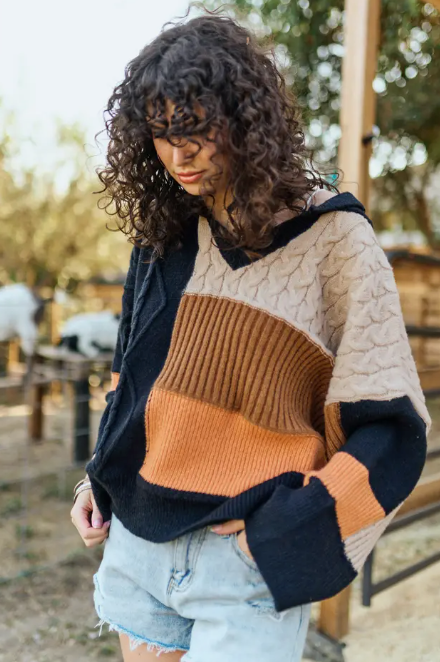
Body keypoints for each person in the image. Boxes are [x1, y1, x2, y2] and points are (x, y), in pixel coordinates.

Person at [70, 11, 431, 662]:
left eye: (196, 127)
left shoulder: (336, 241)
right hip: (138, 550)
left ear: (246, 118)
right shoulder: (166, 236)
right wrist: (95, 479)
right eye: (161, 131)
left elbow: (393, 427)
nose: (179, 153)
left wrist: (298, 526)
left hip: (242, 568)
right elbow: (131, 382)